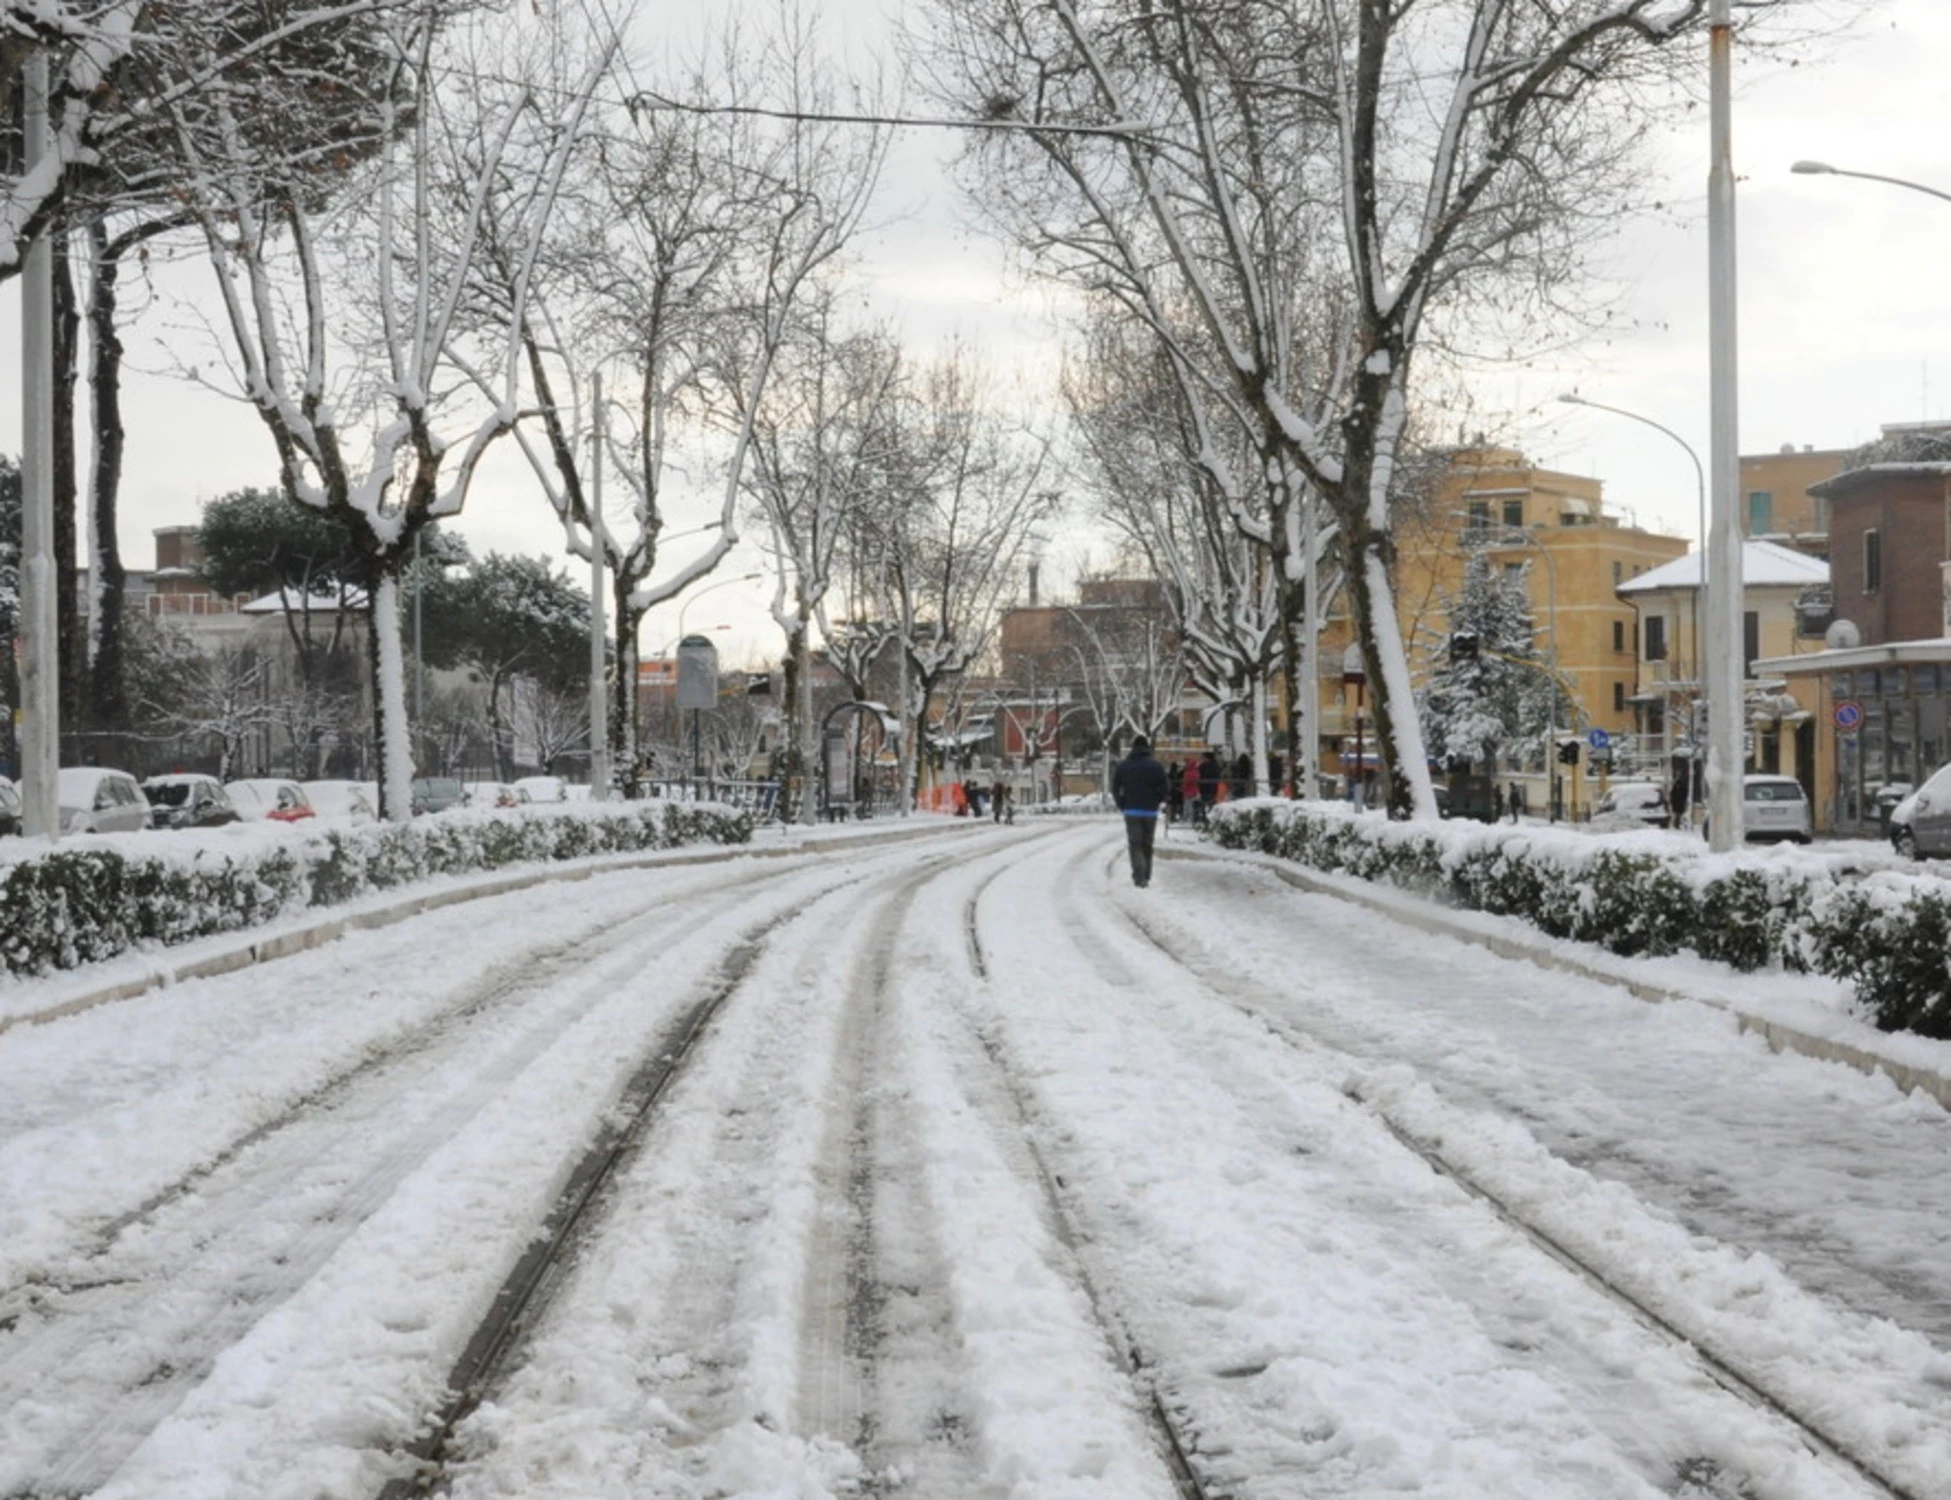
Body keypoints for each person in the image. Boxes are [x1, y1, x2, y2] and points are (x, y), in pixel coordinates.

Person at [1111, 735, 1171, 888]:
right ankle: (1146, 874)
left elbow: (1115, 787)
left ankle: (1139, 876)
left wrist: (1122, 803)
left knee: (1135, 844)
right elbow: (1165, 788)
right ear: (1147, 747)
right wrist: (1157, 800)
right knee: (1147, 844)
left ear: (1133, 746)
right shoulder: (1156, 766)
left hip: (1131, 810)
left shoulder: (1124, 765)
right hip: (1150, 811)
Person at [1196, 749, 1221, 822]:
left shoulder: (1210, 766)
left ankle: (1209, 818)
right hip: (1205, 788)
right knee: (1205, 804)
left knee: (1209, 803)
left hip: (1209, 787)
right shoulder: (1204, 766)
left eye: (1203, 757)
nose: (1201, 759)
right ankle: (1205, 818)